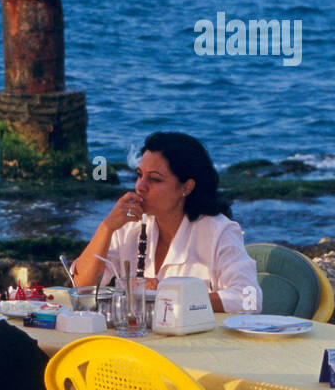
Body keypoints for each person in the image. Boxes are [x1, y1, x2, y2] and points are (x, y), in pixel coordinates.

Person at [72, 131, 262, 313]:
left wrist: (170, 294)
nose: (140, 186)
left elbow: (249, 299)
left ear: (186, 187)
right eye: (139, 175)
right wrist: (106, 227)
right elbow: (82, 288)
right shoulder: (129, 227)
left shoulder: (219, 230)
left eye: (155, 179)